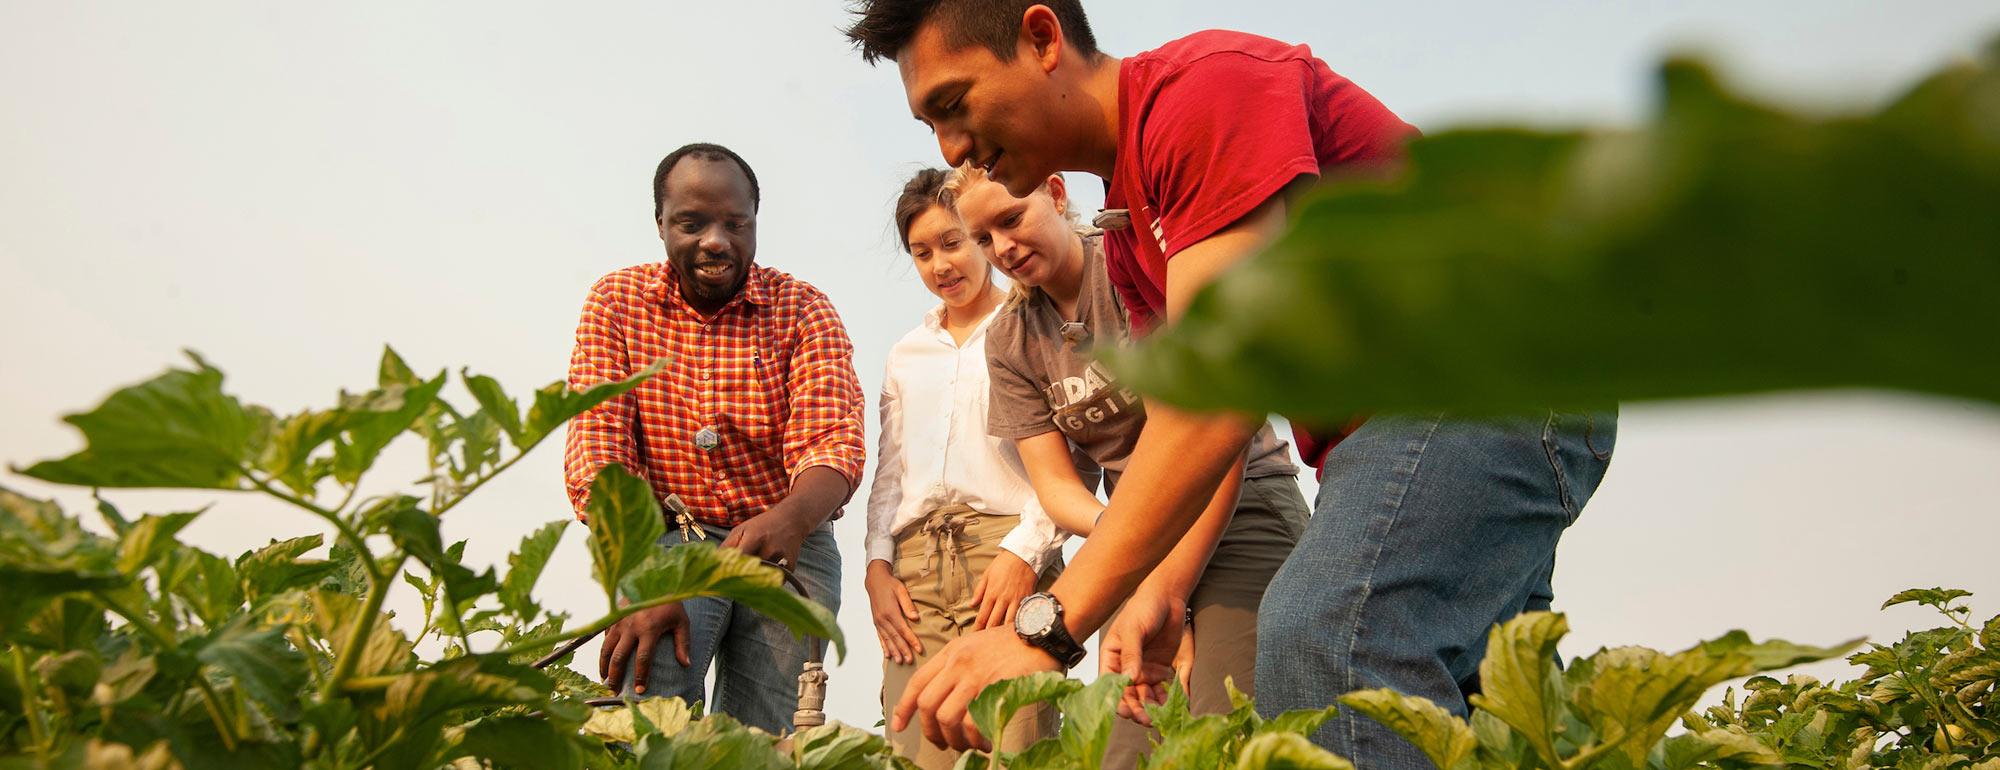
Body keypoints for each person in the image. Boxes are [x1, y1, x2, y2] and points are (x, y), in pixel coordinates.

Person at [844, 4, 1618, 767]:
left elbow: (1216, 401)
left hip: (1484, 376)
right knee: (1492, 716)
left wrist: (1048, 626)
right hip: (1388, 434)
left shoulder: (1205, 90)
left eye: (954, 104)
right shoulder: (1131, 245)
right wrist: (1163, 588)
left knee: (1330, 641)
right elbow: (1193, 436)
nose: (953, 145)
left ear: (1043, 39)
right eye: (929, 124)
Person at [945, 163, 1308, 768]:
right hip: (1130, 530)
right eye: (984, 238)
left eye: (1012, 219)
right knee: (1130, 738)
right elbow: (1058, 490)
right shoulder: (1009, 340)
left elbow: (1215, 431)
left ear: (1056, 194)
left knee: (1228, 721)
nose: (1003, 247)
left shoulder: (1133, 265)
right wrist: (1138, 550)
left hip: (1239, 497)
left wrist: (1172, 589)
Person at [562, 142, 866, 734]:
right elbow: (599, 450)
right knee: (646, 710)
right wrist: (643, 577)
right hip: (665, 537)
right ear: (661, 225)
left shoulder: (803, 309)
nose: (716, 241)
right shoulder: (617, 303)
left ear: (755, 222)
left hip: (789, 539)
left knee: (764, 734)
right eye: (692, 223)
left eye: (735, 223)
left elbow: (832, 439)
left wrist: (794, 517)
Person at [866, 167, 1070, 767]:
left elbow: (1072, 459)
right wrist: (878, 566)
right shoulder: (907, 353)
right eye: (921, 252)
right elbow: (891, 472)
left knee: (1014, 746)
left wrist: (1025, 554)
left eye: (953, 243)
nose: (940, 266)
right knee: (913, 749)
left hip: (1003, 563)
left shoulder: (1033, 326)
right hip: (916, 576)